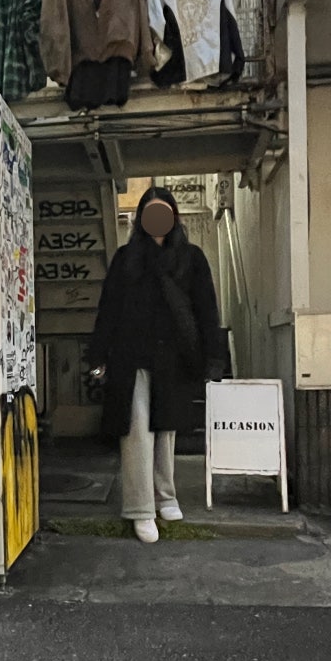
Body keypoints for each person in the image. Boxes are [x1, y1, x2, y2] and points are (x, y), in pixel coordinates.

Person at [88, 186, 224, 544]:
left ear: (174, 216)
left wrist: (213, 357)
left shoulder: (191, 258)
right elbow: (109, 309)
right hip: (130, 357)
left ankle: (166, 496)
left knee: (166, 431)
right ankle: (140, 509)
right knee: (136, 433)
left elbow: (207, 309)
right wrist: (98, 356)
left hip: (175, 358)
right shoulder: (126, 258)